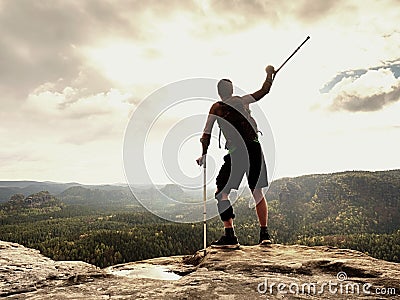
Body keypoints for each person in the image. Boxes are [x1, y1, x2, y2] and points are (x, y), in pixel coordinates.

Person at [196, 65, 275, 248]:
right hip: (254, 148)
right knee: (257, 191)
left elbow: (206, 134)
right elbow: (264, 91)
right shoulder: (242, 100)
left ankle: (230, 235)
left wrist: (204, 154)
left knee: (221, 192)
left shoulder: (217, 108)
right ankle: (265, 235)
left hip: (237, 152)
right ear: (231, 91)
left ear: (219, 92)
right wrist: (269, 75)